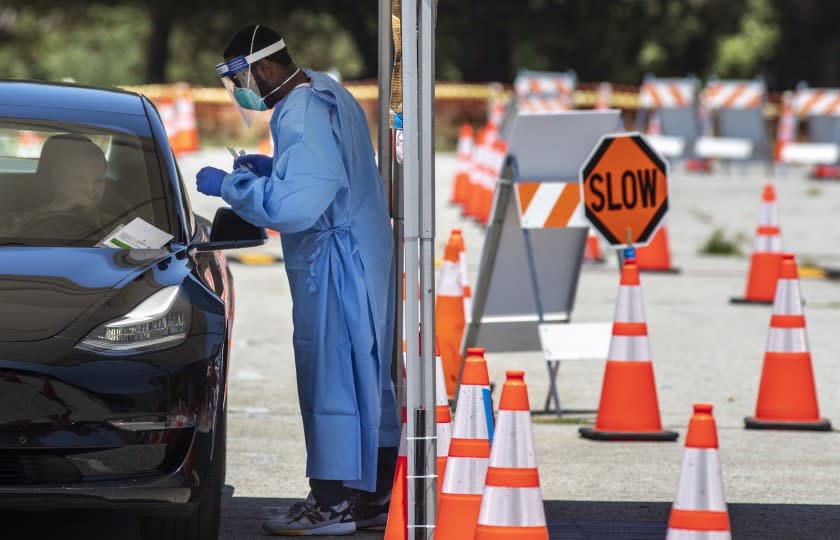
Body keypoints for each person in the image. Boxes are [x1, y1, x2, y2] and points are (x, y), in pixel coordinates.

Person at [195, 25, 399, 536]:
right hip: (360, 257)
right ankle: (371, 497)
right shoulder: (327, 90)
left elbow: (297, 206)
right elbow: (322, 174)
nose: (241, 90)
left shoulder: (301, 111)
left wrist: (236, 186)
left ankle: (330, 508)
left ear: (263, 69)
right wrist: (276, 169)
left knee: (332, 380)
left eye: (240, 78)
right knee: (367, 381)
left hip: (335, 265)